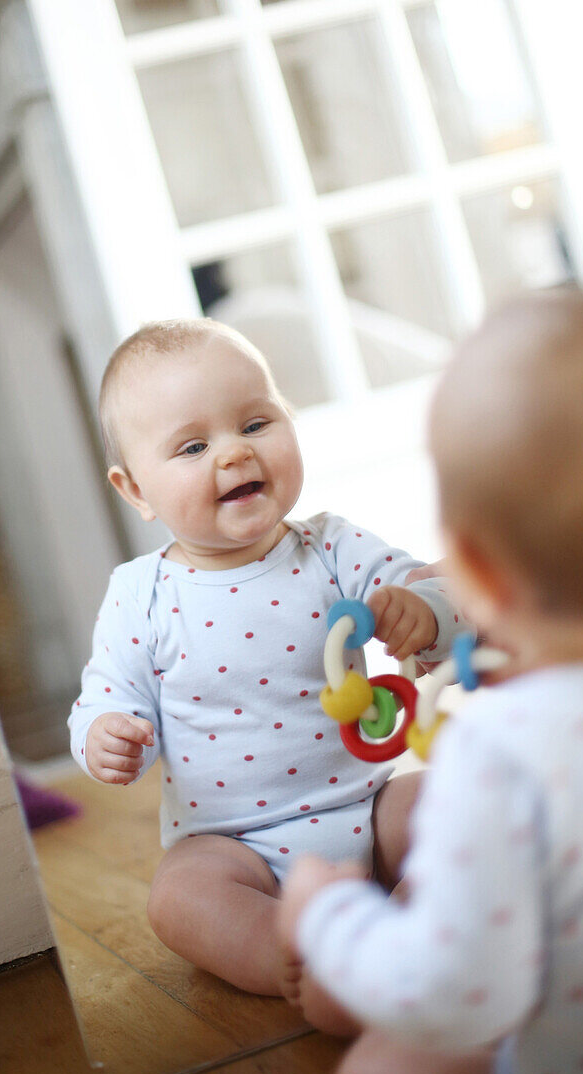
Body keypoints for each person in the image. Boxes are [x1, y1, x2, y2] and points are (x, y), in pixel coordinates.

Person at [278, 292, 583, 1074]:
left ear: (479, 571)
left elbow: (455, 1000)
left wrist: (325, 914)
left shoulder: (500, 748)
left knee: (380, 1071)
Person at [68, 317, 465, 1004]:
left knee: (456, 802)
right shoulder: (142, 595)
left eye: (255, 425)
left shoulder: (331, 546)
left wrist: (422, 611)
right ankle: (290, 953)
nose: (233, 455)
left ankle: (410, 917)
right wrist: (104, 734)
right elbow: (106, 696)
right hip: (236, 845)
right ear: (134, 490)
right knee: (178, 897)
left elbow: (437, 590)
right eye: (193, 446)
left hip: (370, 809)